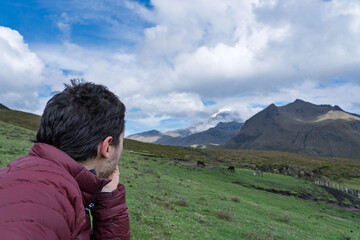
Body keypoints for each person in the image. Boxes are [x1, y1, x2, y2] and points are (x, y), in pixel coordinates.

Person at [0, 80, 130, 240]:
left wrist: (108, 198)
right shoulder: (39, 204)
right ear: (107, 147)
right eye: (122, 142)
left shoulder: (50, 184)